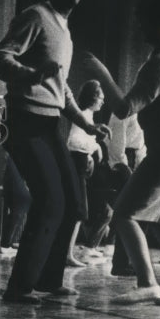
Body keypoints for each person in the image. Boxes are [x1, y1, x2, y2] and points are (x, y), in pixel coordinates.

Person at [0, 0, 110, 304]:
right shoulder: (36, 16)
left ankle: (48, 279)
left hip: (50, 122)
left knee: (73, 203)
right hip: (24, 119)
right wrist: (30, 75)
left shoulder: (63, 27)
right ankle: (20, 286)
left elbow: (61, 88)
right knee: (50, 200)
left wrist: (87, 124)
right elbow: (0, 57)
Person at [84, 0, 160, 307]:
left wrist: (101, 71)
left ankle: (147, 283)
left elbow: (124, 109)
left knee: (124, 215)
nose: (137, 27)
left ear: (156, 21)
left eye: (141, 20)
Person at [66, 80, 106, 264]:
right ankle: (67, 255)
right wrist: (95, 146)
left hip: (81, 163)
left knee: (79, 212)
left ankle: (68, 254)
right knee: (78, 211)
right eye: (101, 97)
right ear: (93, 97)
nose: (103, 101)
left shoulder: (88, 116)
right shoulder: (83, 115)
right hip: (77, 163)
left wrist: (93, 149)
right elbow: (73, 142)